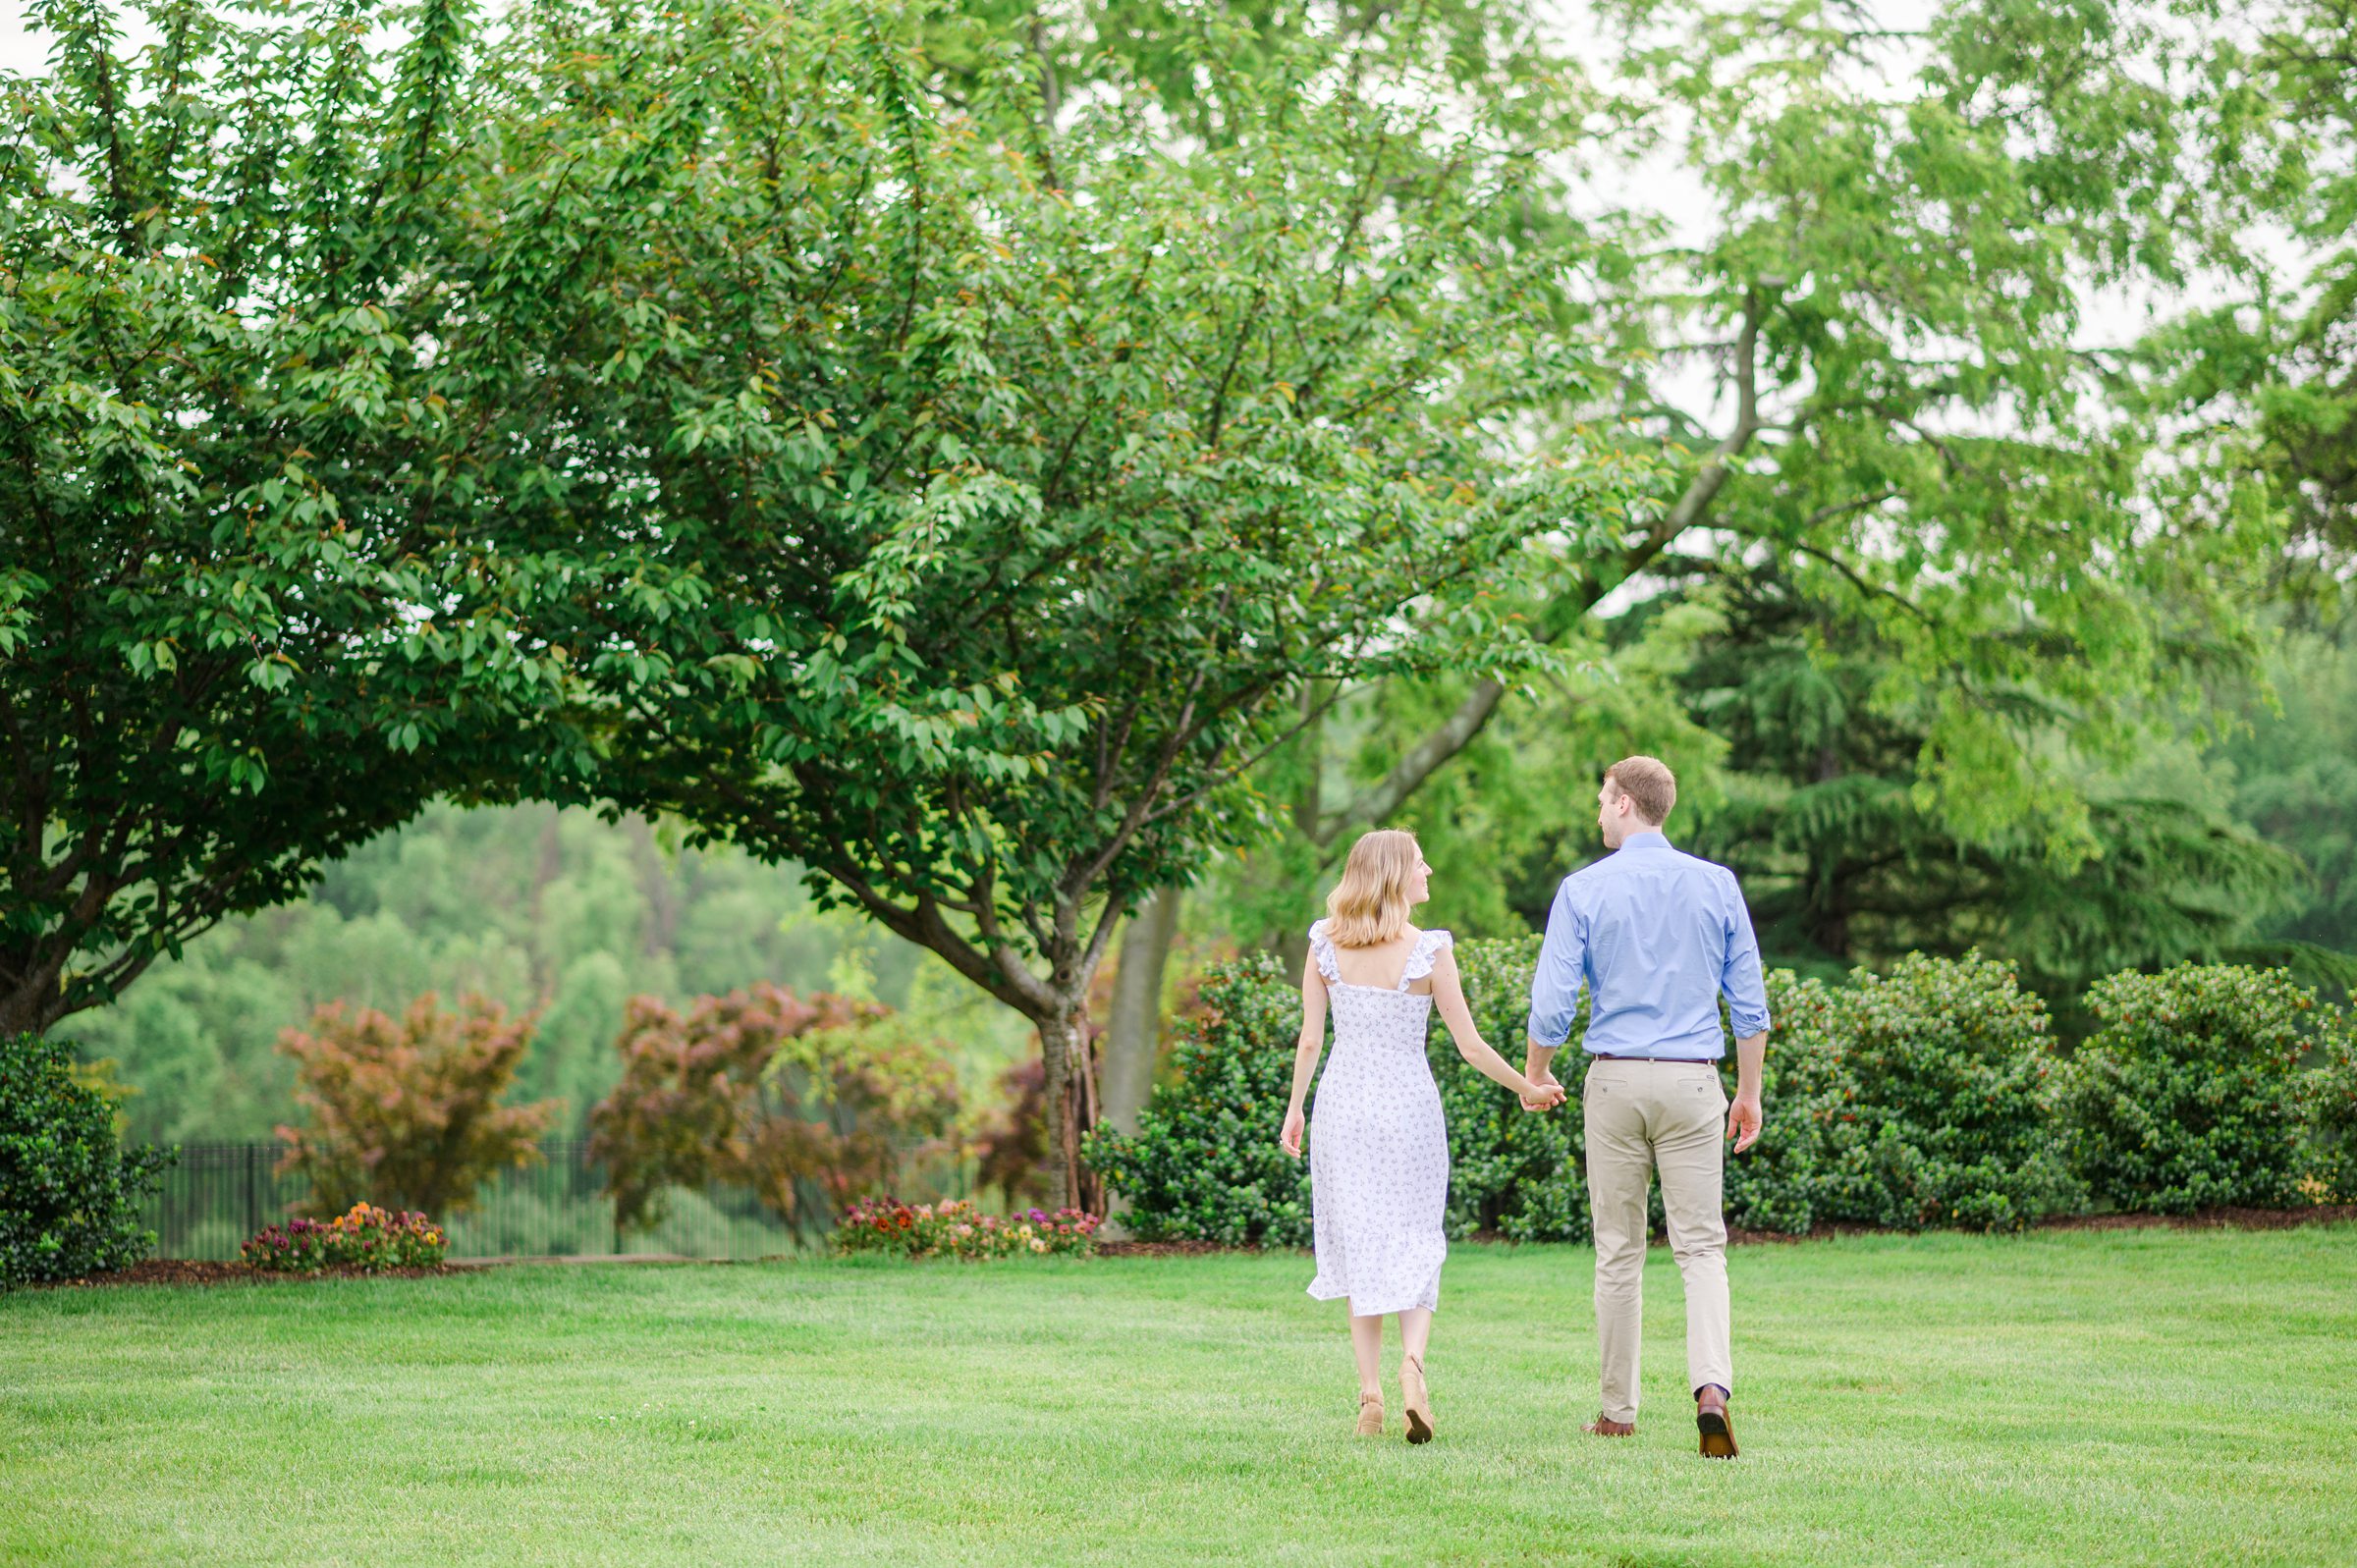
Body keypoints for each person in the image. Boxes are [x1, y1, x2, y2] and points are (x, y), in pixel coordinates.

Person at [1279, 829, 1565, 1444]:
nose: (1428, 869)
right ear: (1394, 876)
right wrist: (1527, 1086)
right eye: (1418, 863)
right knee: (1413, 1237)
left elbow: (1310, 1040)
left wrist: (1295, 1109)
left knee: (1360, 1245)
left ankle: (1370, 1396)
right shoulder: (1428, 950)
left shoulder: (1323, 944)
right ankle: (1413, 1366)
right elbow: (1470, 1046)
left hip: (1344, 1109)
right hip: (1408, 1110)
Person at [1522, 756, 1770, 1459]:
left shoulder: (1582, 890)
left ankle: (1616, 1410)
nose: (1599, 812)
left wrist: (1537, 1074)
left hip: (1616, 1082)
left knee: (1619, 1250)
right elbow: (1750, 1008)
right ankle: (1712, 1389)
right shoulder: (1717, 885)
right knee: (1701, 1246)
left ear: (1626, 803)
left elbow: (1553, 1002)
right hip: (1694, 1082)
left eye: (1603, 799)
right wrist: (1747, 1093)